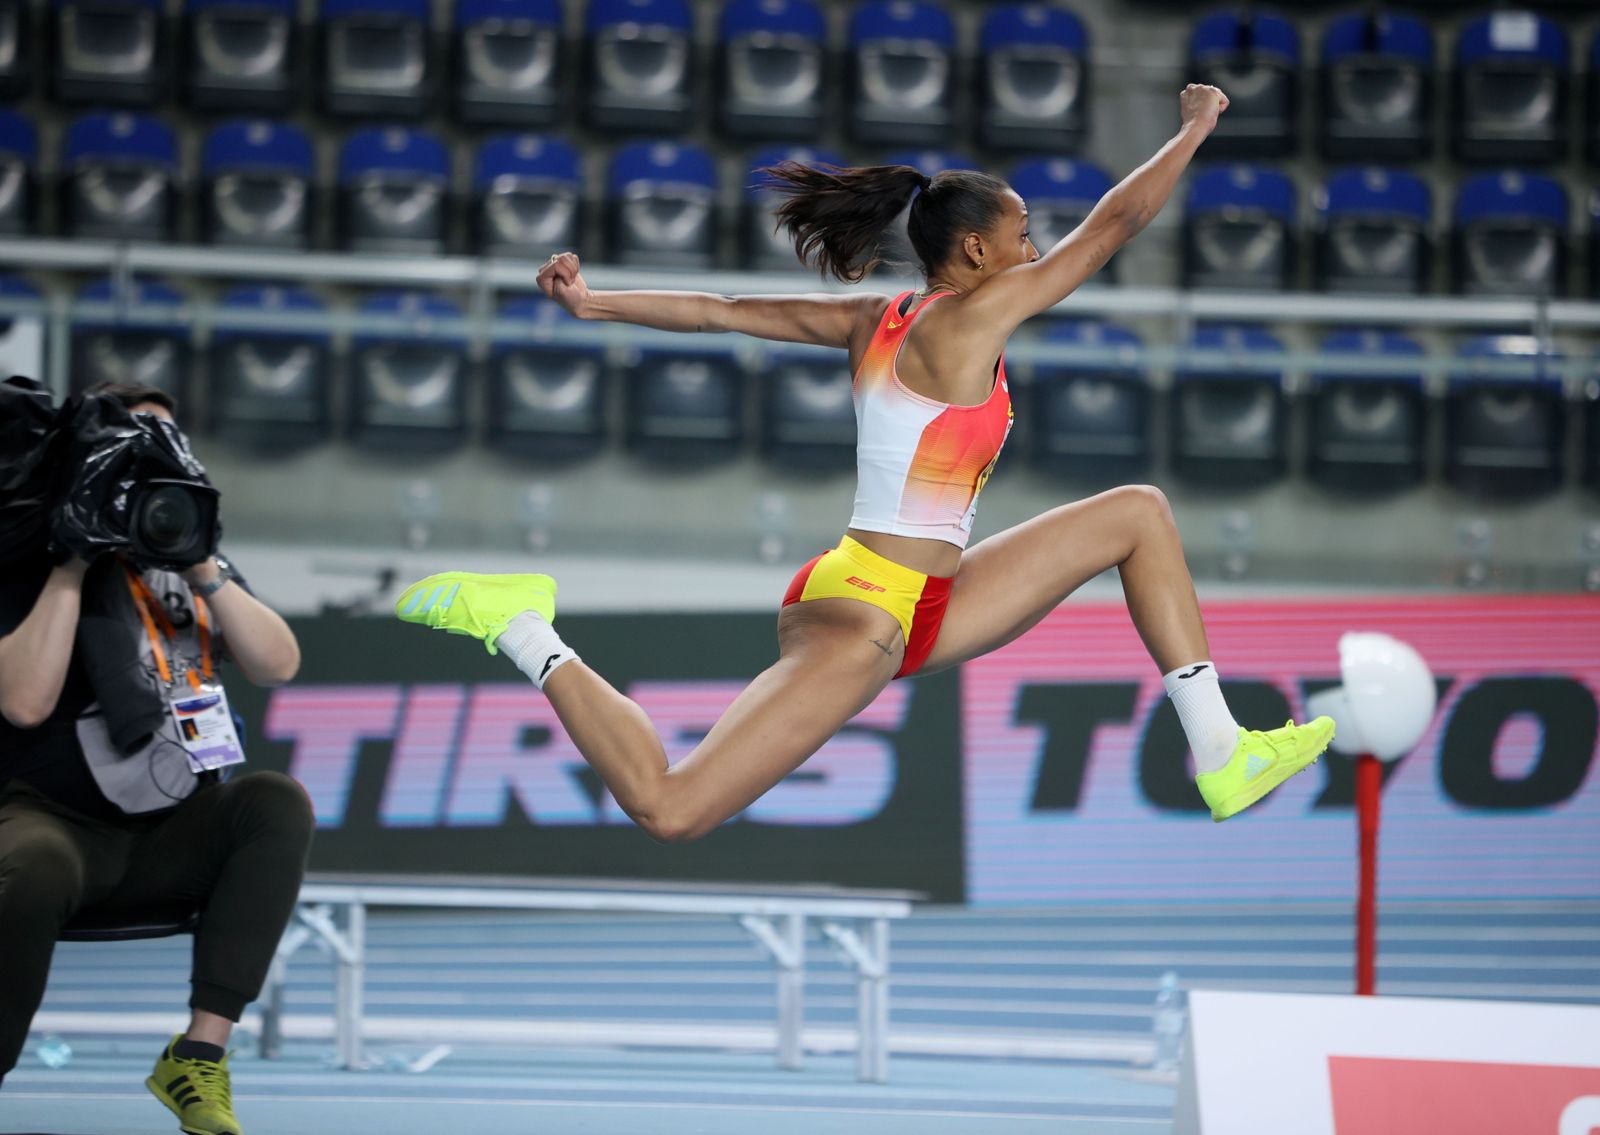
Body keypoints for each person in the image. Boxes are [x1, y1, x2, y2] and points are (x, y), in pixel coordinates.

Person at [396, 84, 1333, 842]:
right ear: (976, 251)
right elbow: (1115, 224)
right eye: (1020, 237)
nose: (1035, 250)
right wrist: (1196, 126)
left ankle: (1220, 746)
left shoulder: (874, 321)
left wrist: (598, 305)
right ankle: (522, 625)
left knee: (1138, 511)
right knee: (671, 807)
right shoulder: (972, 318)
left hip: (922, 598)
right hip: (867, 609)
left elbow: (725, 310)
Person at [0, 382, 311, 1135]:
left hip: (172, 829)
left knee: (274, 802)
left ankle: (198, 1056)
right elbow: (24, 702)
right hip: (56, 828)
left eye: (165, 448)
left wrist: (204, 564)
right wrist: (72, 563)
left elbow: (278, 662)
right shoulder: (27, 552)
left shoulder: (189, 554)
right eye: (130, 445)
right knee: (31, 857)